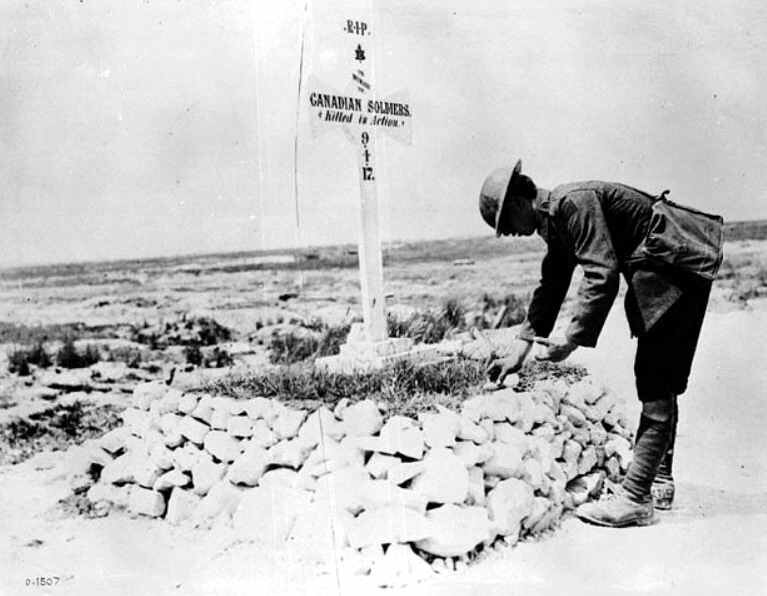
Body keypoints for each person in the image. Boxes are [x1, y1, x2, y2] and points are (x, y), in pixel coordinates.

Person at [478, 160, 716, 527]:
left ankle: (636, 498)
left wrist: (571, 341)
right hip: (663, 272)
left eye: (504, 222)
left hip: (673, 274)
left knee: (655, 380)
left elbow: (601, 275)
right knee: (659, 380)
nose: (506, 233)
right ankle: (657, 479)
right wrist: (521, 346)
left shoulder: (572, 204)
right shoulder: (556, 219)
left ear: (518, 203)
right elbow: (553, 284)